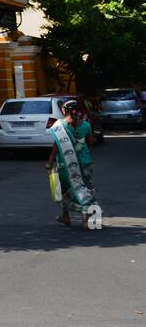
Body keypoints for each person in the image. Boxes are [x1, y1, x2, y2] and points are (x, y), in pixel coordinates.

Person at [47, 98, 99, 230]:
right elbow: (91, 141)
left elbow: (56, 146)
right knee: (86, 188)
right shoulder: (86, 125)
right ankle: (85, 220)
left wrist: (50, 161)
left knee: (66, 189)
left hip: (65, 163)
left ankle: (65, 216)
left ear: (65, 111)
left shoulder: (60, 126)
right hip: (85, 162)